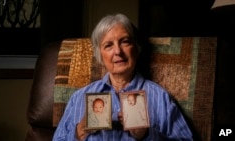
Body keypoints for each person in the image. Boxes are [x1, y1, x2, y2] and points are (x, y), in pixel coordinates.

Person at [52, 13, 193, 141]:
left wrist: (147, 135)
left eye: (125, 41)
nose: (118, 51)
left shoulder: (160, 97)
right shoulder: (78, 98)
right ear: (100, 56)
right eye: (108, 45)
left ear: (136, 48)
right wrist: (79, 131)